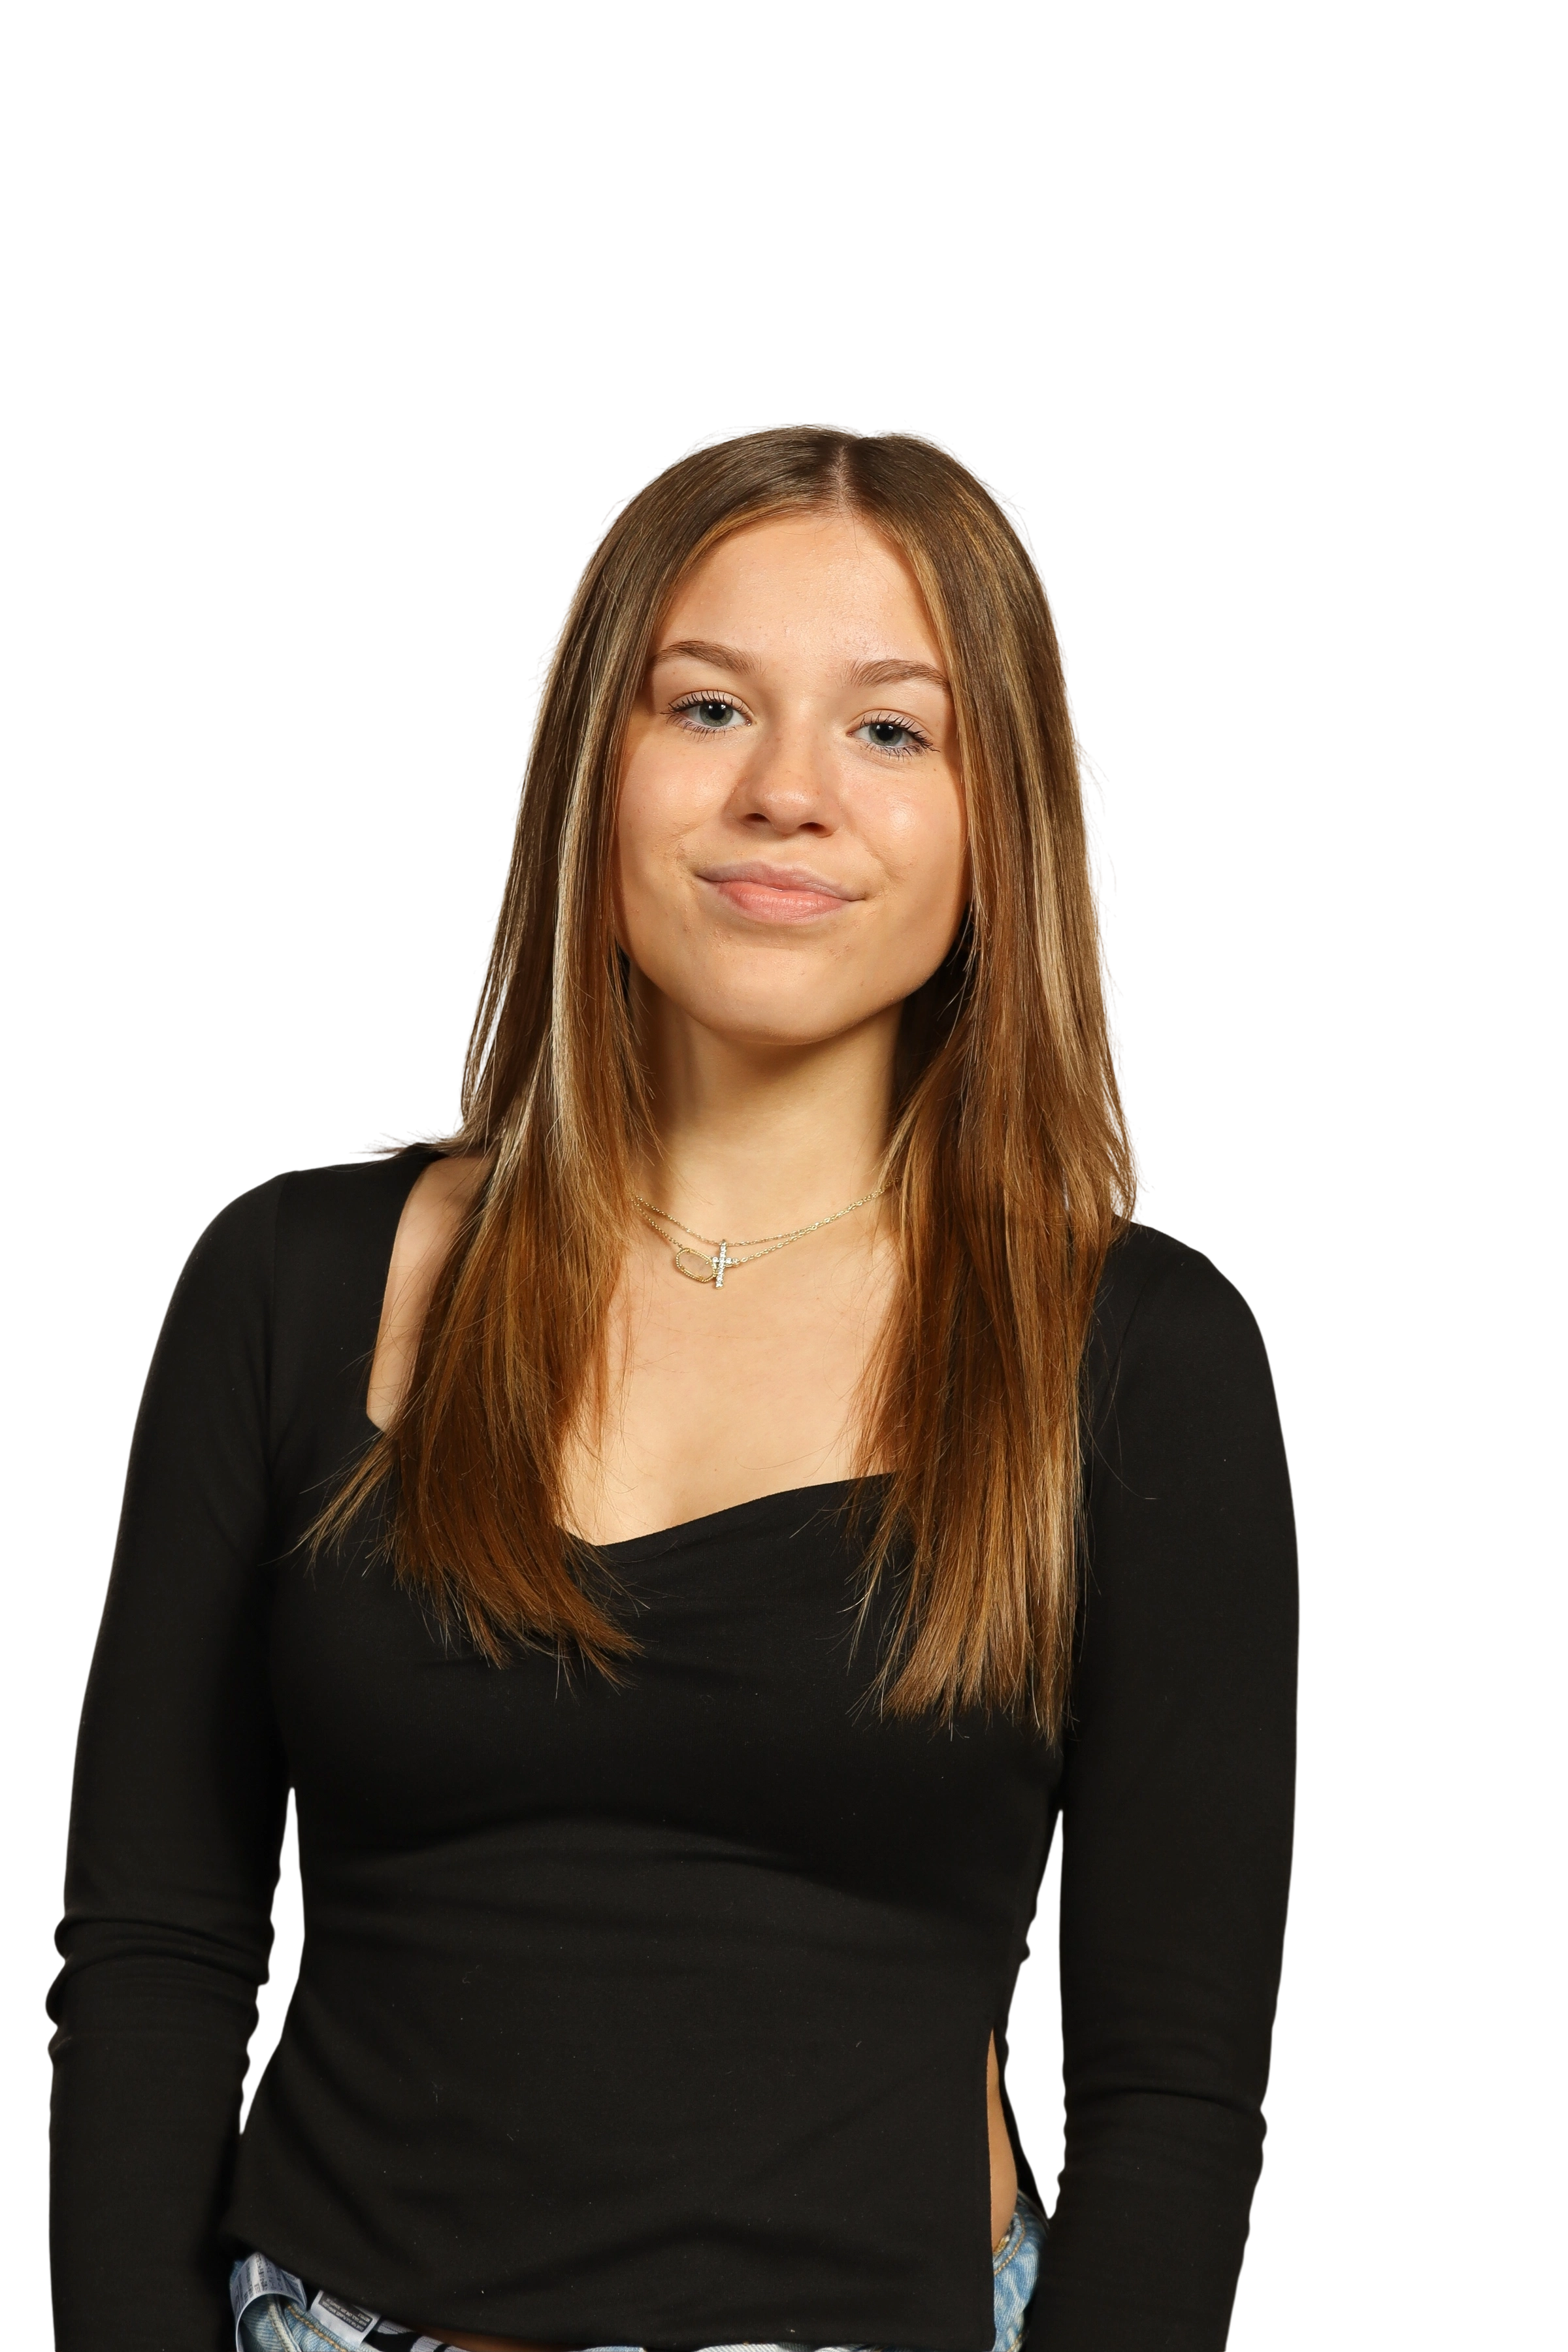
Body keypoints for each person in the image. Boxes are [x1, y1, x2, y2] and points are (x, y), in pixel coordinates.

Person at [44, 419, 1300, 2352]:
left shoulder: (1140, 1354)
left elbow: (1176, 2089)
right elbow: (154, 1948)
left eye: (892, 729)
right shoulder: (289, 1283)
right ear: (594, 770)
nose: (788, 792)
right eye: (709, 707)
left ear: (1002, 822)